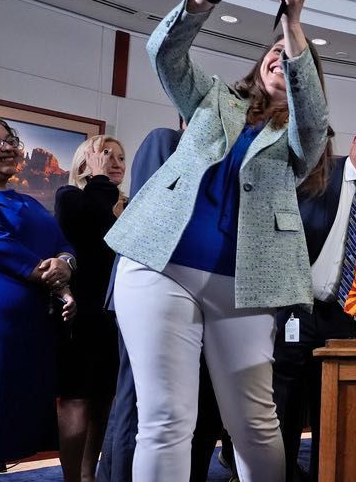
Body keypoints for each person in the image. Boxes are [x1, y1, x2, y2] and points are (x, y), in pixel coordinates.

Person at [104, 0, 329, 481]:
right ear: (259, 60)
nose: (279, 55)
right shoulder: (211, 98)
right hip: (158, 269)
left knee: (254, 423)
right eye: (273, 49)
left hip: (245, 285)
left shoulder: (303, 137)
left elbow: (313, 122)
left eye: (291, 55)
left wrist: (294, 24)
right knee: (165, 420)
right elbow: (163, 52)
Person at [97, 120, 234, 482]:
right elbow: (153, 218)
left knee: (201, 408)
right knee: (141, 407)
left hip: (208, 301)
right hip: (151, 295)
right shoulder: (165, 140)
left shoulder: (230, 167)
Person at [272, 118, 356, 482]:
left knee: (331, 411)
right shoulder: (316, 174)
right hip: (295, 308)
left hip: (342, 321)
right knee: (285, 405)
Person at [0, 113, 77, 482]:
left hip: (27, 332)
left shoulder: (31, 204)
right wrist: (52, 278)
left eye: (9, 140)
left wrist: (66, 264)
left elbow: (63, 244)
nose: (5, 146)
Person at [54, 135, 128, 482]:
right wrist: (99, 181)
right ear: (85, 162)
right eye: (105, 155)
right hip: (82, 312)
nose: (115, 163)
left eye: (120, 157)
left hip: (117, 313)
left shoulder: (126, 204)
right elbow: (93, 233)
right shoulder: (69, 196)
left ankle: (89, 475)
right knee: (77, 397)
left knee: (104, 399)